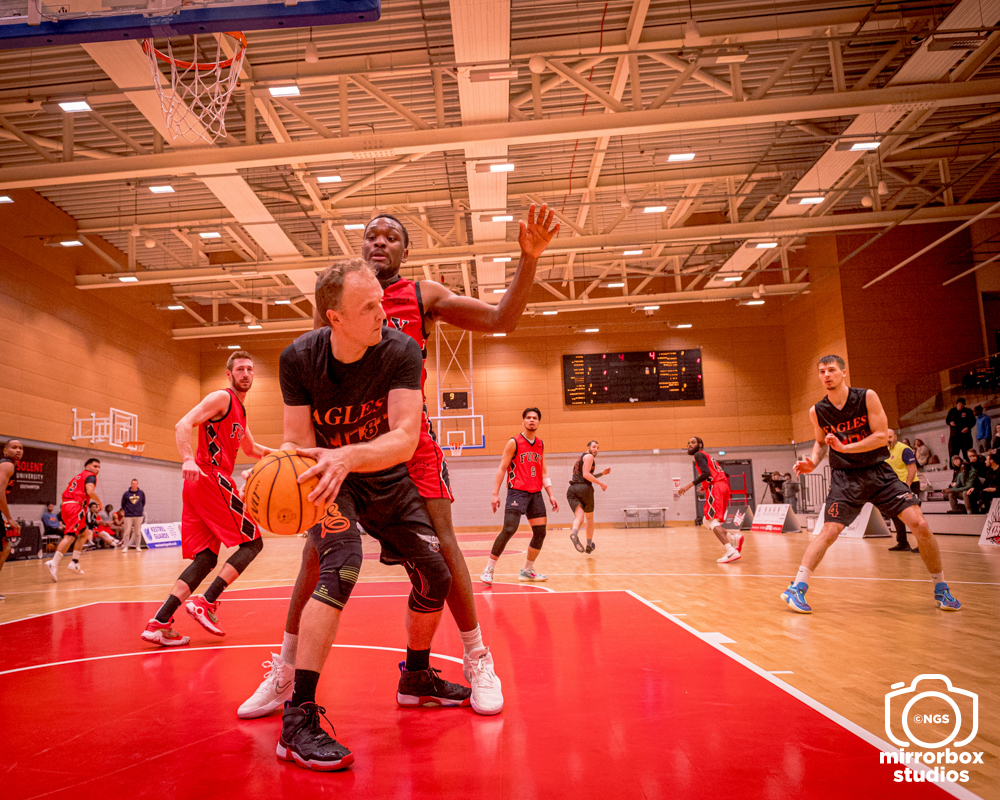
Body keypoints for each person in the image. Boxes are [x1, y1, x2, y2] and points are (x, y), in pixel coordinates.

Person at [239, 205, 556, 722]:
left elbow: (502, 319)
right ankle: (287, 672)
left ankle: (475, 657)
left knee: (442, 549)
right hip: (342, 443)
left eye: (391, 237)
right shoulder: (335, 307)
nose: (379, 242)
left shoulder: (423, 297)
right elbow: (317, 377)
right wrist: (293, 463)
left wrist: (530, 259)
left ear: (406, 251)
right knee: (319, 556)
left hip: (407, 441)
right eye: (371, 235)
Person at [274, 258, 474, 771]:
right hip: (328, 477)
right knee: (340, 564)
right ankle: (297, 717)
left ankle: (417, 676)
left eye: (381, 302)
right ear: (335, 318)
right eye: (368, 307)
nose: (383, 313)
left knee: (435, 574)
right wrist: (287, 468)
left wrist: (349, 456)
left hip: (381, 471)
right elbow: (298, 441)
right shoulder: (298, 358)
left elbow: (405, 438)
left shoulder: (400, 349)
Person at [783, 355, 961, 613]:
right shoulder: (817, 411)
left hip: (878, 473)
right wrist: (813, 462)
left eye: (831, 370)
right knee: (829, 531)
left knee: (920, 524)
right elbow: (821, 443)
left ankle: (941, 588)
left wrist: (845, 447)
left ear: (844, 372)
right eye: (822, 372)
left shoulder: (867, 397)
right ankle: (796, 588)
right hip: (845, 478)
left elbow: (880, 437)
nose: (826, 375)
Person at [140, 350, 271, 647]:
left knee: (207, 557)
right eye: (240, 369)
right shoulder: (222, 398)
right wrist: (188, 458)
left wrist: (288, 455)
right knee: (253, 542)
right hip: (210, 476)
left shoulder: (240, 411)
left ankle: (160, 621)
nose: (246, 374)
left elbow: (252, 449)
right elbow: (183, 424)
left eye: (250, 369)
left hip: (200, 484)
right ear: (229, 373)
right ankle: (207, 601)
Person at [483, 407, 559, 584]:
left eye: (535, 418)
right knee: (509, 529)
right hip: (517, 491)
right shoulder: (514, 442)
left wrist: (551, 494)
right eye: (528, 417)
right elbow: (502, 468)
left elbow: (544, 472)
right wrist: (495, 494)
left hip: (536, 494)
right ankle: (489, 569)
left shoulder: (540, 444)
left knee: (540, 533)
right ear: (523, 421)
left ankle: (527, 570)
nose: (531, 420)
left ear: (539, 422)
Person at [677, 437, 743, 563]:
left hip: (716, 488)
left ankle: (731, 551)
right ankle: (733, 538)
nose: (689, 445)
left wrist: (688, 486)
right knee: (706, 521)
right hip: (722, 486)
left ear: (700, 445)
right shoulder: (707, 456)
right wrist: (706, 486)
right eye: (688, 443)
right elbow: (719, 474)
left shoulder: (698, 455)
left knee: (711, 520)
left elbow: (706, 473)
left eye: (693, 442)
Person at [47, 457, 101, 581]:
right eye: (95, 466)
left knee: (84, 533)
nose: (97, 469)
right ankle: (53, 563)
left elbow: (66, 489)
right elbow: (90, 491)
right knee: (70, 536)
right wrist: (99, 502)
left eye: (99, 467)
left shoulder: (77, 477)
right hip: (75, 507)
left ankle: (74, 562)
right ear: (87, 466)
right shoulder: (90, 476)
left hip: (67, 506)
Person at [566, 440, 610, 554]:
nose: (596, 449)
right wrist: (601, 483)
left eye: (597, 448)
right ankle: (589, 545)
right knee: (589, 518)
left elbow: (586, 475)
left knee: (579, 517)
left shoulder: (581, 458)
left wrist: (602, 474)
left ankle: (574, 534)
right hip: (584, 489)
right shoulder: (589, 457)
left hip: (572, 489)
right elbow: (586, 475)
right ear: (588, 447)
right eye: (594, 447)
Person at [885, 429, 920, 553]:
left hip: (910, 485)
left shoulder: (904, 449)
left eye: (890, 437)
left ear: (895, 437)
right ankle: (902, 543)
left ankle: (923, 543)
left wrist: (907, 486)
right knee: (895, 515)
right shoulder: (885, 451)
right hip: (895, 487)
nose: (888, 439)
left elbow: (912, 468)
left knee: (914, 517)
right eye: (886, 437)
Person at [0, 439, 24, 601]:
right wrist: (9, 518)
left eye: (20, 448)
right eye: (14, 447)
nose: (18, 450)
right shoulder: (7, 465)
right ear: (5, 450)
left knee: (5, 546)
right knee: (5, 548)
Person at [121, 478, 146, 551]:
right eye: (133, 484)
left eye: (135, 484)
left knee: (137, 532)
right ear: (131, 484)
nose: (134, 485)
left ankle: (138, 546)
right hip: (128, 515)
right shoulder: (126, 494)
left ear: (137, 484)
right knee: (127, 532)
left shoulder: (141, 493)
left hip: (138, 515)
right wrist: (127, 510)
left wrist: (139, 509)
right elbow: (123, 504)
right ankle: (125, 547)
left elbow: (143, 503)